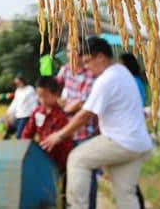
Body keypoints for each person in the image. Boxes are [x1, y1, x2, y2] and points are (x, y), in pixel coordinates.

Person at [42, 37, 153, 209]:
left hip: (120, 141)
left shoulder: (106, 79)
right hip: (139, 143)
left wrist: (60, 135)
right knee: (126, 194)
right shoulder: (122, 72)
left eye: (87, 61)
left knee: (77, 159)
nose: (85, 66)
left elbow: (85, 114)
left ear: (100, 57)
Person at [56, 43, 99, 209]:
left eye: (74, 50)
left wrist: (66, 107)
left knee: (87, 176)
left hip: (85, 132)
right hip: (67, 131)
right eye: (68, 50)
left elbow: (84, 103)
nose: (70, 54)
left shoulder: (91, 75)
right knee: (69, 175)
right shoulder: (66, 70)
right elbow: (55, 90)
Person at [21, 77, 73, 172]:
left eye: (45, 96)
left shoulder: (62, 116)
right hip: (42, 156)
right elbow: (27, 133)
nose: (42, 100)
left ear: (56, 95)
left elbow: (64, 143)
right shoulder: (37, 112)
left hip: (61, 160)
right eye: (39, 96)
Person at [120, 52, 149, 209]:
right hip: (133, 131)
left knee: (128, 179)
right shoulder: (136, 81)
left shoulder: (133, 82)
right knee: (128, 179)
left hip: (131, 133)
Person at [4, 75, 38, 139]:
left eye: (18, 82)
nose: (17, 84)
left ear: (22, 81)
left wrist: (34, 114)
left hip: (27, 115)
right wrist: (8, 112)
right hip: (18, 116)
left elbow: (34, 102)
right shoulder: (18, 91)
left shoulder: (30, 89)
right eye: (16, 83)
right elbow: (15, 103)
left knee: (19, 135)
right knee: (13, 132)